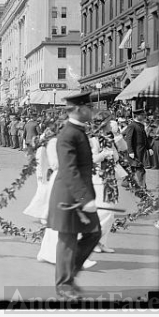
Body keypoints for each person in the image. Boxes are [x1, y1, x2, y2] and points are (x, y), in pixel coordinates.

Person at [47, 92, 101, 300]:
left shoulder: (78, 131)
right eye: (89, 108)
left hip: (78, 194)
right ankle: (63, 284)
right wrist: (84, 199)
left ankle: (71, 272)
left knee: (94, 233)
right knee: (67, 241)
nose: (92, 111)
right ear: (79, 109)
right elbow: (69, 170)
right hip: (69, 197)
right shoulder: (68, 134)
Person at [89, 111, 119, 254]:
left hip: (110, 178)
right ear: (103, 124)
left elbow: (117, 157)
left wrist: (114, 148)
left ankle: (101, 242)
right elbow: (91, 159)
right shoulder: (93, 140)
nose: (111, 125)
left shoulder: (109, 139)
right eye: (109, 122)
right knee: (105, 211)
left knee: (110, 213)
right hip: (98, 180)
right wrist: (105, 154)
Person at [124, 109, 153, 189]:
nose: (144, 116)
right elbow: (129, 139)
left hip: (141, 151)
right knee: (138, 169)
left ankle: (138, 186)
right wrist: (130, 151)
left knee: (138, 169)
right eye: (142, 115)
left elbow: (145, 138)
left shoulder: (141, 125)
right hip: (135, 152)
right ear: (137, 116)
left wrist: (149, 148)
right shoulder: (132, 125)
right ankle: (141, 188)